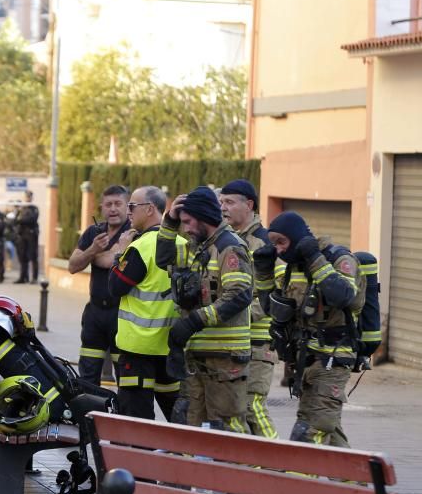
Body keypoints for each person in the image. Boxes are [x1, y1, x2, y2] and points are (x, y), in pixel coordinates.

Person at [254, 212, 365, 449]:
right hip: (306, 361)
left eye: (281, 242)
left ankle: (296, 482)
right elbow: (273, 310)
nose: (279, 250)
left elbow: (343, 295)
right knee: (328, 432)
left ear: (296, 238)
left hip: (333, 360)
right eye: (274, 244)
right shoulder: (292, 268)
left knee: (312, 431)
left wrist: (314, 258)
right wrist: (263, 275)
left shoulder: (339, 259)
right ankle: (353, 485)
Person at [156, 186, 253, 433]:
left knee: (228, 430)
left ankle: (241, 473)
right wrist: (169, 222)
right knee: (189, 425)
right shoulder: (195, 247)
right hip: (198, 356)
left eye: (188, 221)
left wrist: (193, 321)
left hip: (225, 358)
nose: (185, 228)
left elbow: (239, 295)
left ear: (202, 217)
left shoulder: (229, 247)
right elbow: (163, 259)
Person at [108, 186, 183, 419]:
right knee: (178, 416)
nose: (128, 212)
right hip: (171, 346)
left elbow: (115, 287)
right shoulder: (183, 244)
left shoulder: (140, 246)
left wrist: (119, 253)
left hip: (138, 349)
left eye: (132, 206)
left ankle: (142, 456)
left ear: (150, 209)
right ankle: (183, 455)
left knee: (136, 420)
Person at [219, 179, 279, 439]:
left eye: (230, 202)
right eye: (221, 202)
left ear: (250, 205)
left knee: (253, 407)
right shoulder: (226, 240)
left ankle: (278, 463)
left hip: (258, 342)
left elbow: (275, 296)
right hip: (233, 341)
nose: (223, 208)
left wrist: (228, 312)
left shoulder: (265, 245)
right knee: (233, 410)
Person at [69, 185, 131, 385]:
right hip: (94, 314)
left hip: (121, 315)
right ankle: (91, 415)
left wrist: (94, 256)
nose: (113, 209)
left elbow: (109, 261)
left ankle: (121, 416)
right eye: (108, 204)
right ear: (102, 208)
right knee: (87, 375)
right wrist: (93, 250)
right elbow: (72, 265)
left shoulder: (133, 233)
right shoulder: (94, 232)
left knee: (125, 377)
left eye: (118, 204)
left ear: (128, 206)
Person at [14, 190, 40, 283]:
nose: (27, 198)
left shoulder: (34, 208)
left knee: (33, 256)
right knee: (23, 257)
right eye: (26, 197)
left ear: (31, 198)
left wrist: (20, 219)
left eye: (29, 197)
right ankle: (23, 277)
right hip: (22, 235)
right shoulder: (22, 209)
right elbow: (15, 220)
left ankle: (34, 278)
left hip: (31, 235)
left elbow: (31, 219)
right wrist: (18, 215)